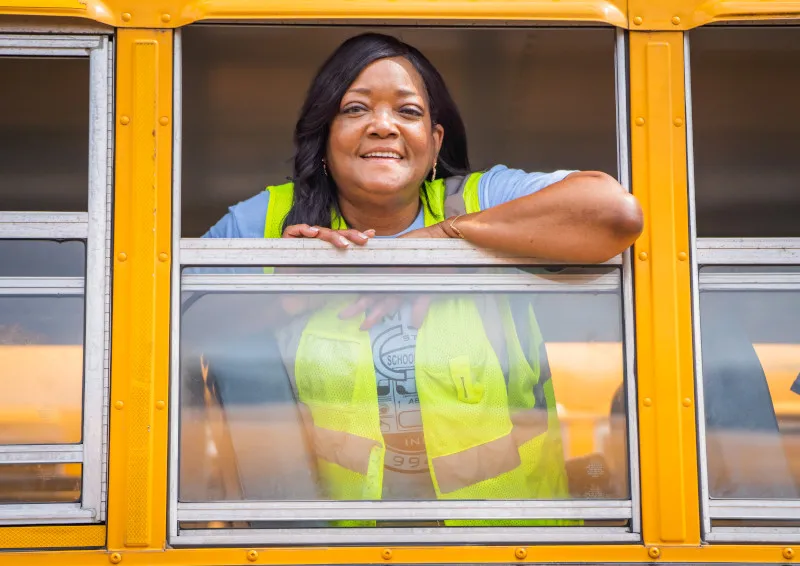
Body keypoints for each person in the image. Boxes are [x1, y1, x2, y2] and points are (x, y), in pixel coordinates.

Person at [202, 32, 643, 516]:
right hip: (339, 547)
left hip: (507, 541)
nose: (382, 126)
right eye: (355, 109)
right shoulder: (267, 222)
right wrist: (293, 290)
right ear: (323, 136)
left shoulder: (482, 202)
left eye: (408, 112)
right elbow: (170, 332)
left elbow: (615, 214)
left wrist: (443, 243)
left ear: (435, 143)